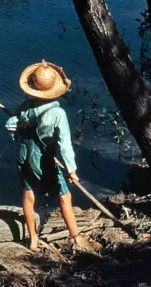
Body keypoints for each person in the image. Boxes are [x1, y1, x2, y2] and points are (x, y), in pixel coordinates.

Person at [6, 61, 99, 252]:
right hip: (42, 158)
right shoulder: (57, 113)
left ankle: (32, 240)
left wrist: (15, 128)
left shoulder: (25, 106)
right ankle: (77, 239)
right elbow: (64, 145)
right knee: (65, 195)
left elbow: (13, 127)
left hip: (23, 154)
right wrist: (72, 170)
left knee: (29, 194)